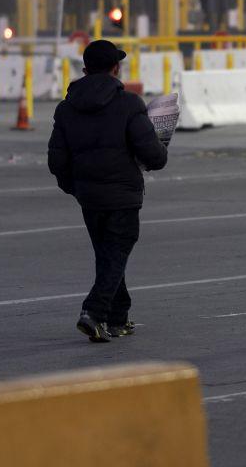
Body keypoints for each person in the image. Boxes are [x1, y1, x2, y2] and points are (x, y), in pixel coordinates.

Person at [48, 39, 168, 343]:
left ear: (86, 70)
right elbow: (152, 155)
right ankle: (94, 312)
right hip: (123, 195)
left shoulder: (66, 108)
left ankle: (117, 318)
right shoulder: (128, 104)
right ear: (117, 69)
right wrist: (161, 146)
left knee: (108, 255)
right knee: (115, 255)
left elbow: (57, 160)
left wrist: (75, 188)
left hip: (88, 196)